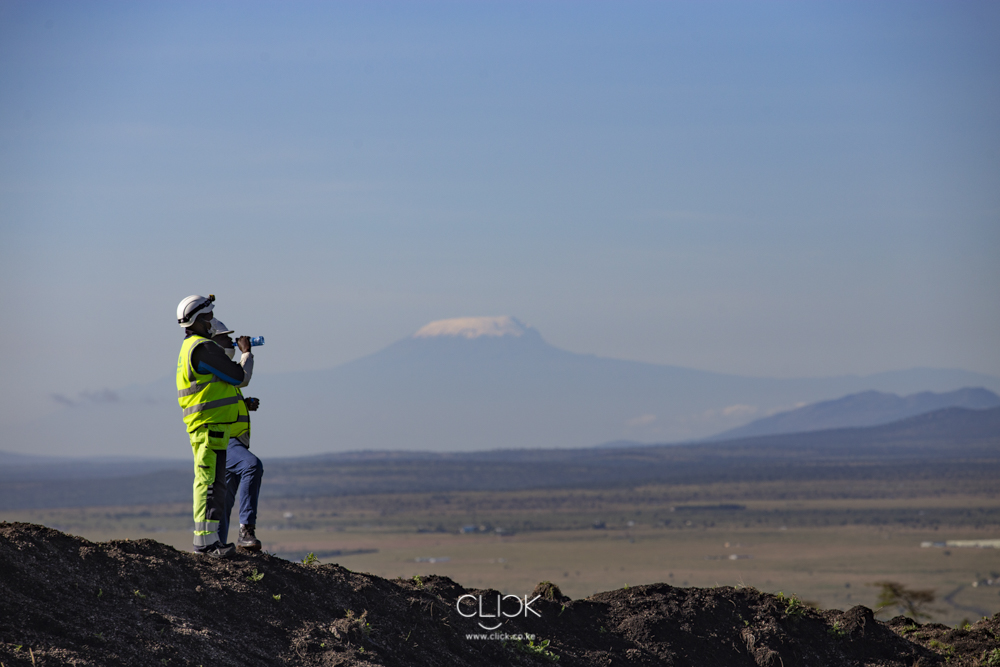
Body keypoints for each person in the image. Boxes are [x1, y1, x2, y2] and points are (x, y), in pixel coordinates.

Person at [175, 294, 250, 558]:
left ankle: (211, 542)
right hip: (209, 428)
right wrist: (246, 354)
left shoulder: (190, 348)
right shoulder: (203, 348)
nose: (211, 323)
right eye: (207, 318)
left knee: (213, 484)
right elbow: (239, 377)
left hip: (208, 428)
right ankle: (205, 545)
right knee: (209, 484)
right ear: (196, 320)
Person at [208, 318, 264, 552]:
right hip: (225, 440)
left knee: (223, 500)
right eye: (225, 337)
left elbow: (226, 395)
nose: (230, 340)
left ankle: (218, 545)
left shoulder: (215, 369)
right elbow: (242, 377)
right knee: (252, 465)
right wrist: (247, 352)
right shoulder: (212, 364)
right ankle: (245, 530)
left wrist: (243, 403)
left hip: (229, 441)